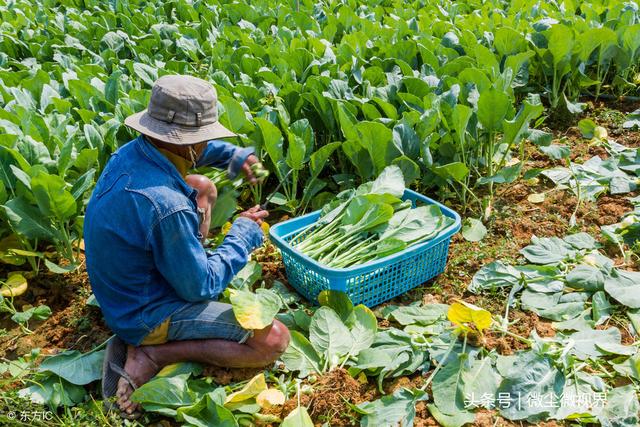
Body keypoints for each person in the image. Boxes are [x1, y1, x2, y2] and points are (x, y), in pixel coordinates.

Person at [84, 75, 290, 418]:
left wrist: (233, 156)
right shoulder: (167, 207)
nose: (204, 145)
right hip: (144, 313)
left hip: (119, 291)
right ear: (189, 144)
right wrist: (242, 235)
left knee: (201, 186)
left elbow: (188, 151)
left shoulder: (131, 152)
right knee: (273, 340)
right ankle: (153, 354)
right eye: (203, 139)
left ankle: (187, 264)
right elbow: (201, 286)